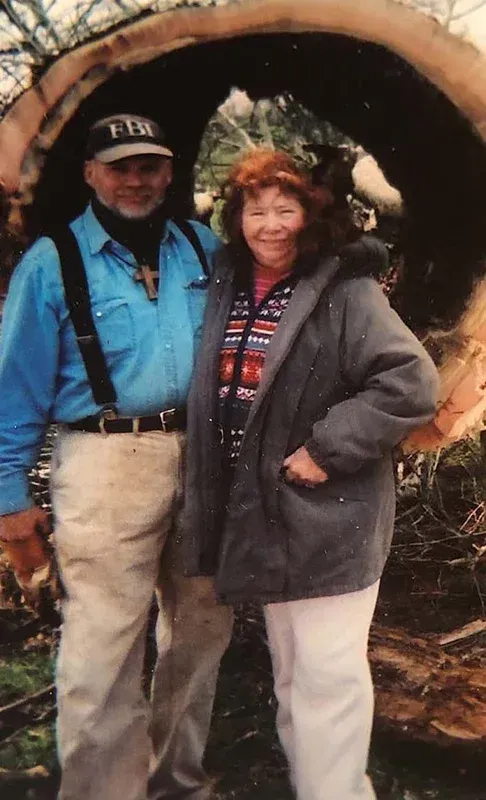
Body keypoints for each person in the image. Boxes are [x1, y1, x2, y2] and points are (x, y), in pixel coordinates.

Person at [181, 148, 439, 800]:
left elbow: (410, 384)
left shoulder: (346, 292)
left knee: (328, 678)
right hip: (268, 517)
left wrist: (327, 449)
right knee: (293, 675)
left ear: (310, 217)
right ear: (236, 220)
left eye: (285, 209)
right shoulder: (228, 290)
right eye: (255, 211)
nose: (270, 225)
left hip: (330, 519)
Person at [0, 113, 234, 800]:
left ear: (169, 172)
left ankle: (176, 781)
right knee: (103, 643)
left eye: (148, 166)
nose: (136, 180)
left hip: (203, 453)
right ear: (90, 174)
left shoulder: (202, 246)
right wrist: (11, 505)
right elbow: (13, 393)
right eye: (119, 167)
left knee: (201, 628)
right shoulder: (53, 263)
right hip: (106, 463)